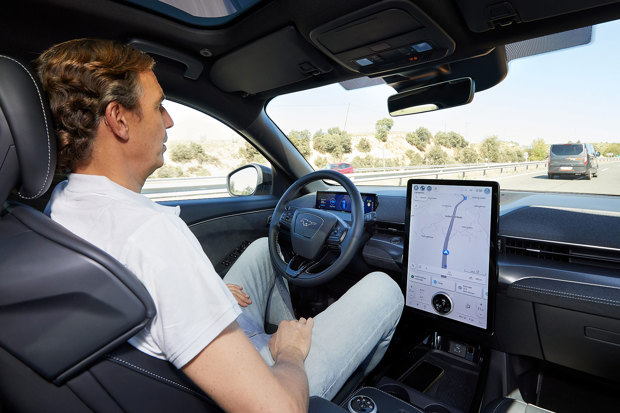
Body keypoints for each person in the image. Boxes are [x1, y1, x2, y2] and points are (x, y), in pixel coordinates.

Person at [35, 39, 404, 412]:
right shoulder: (150, 234)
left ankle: (292, 335)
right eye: (158, 106)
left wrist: (202, 293)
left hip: (182, 363)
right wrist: (291, 353)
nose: (169, 120)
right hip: (256, 389)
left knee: (263, 250)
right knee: (385, 288)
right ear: (118, 119)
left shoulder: (60, 206)